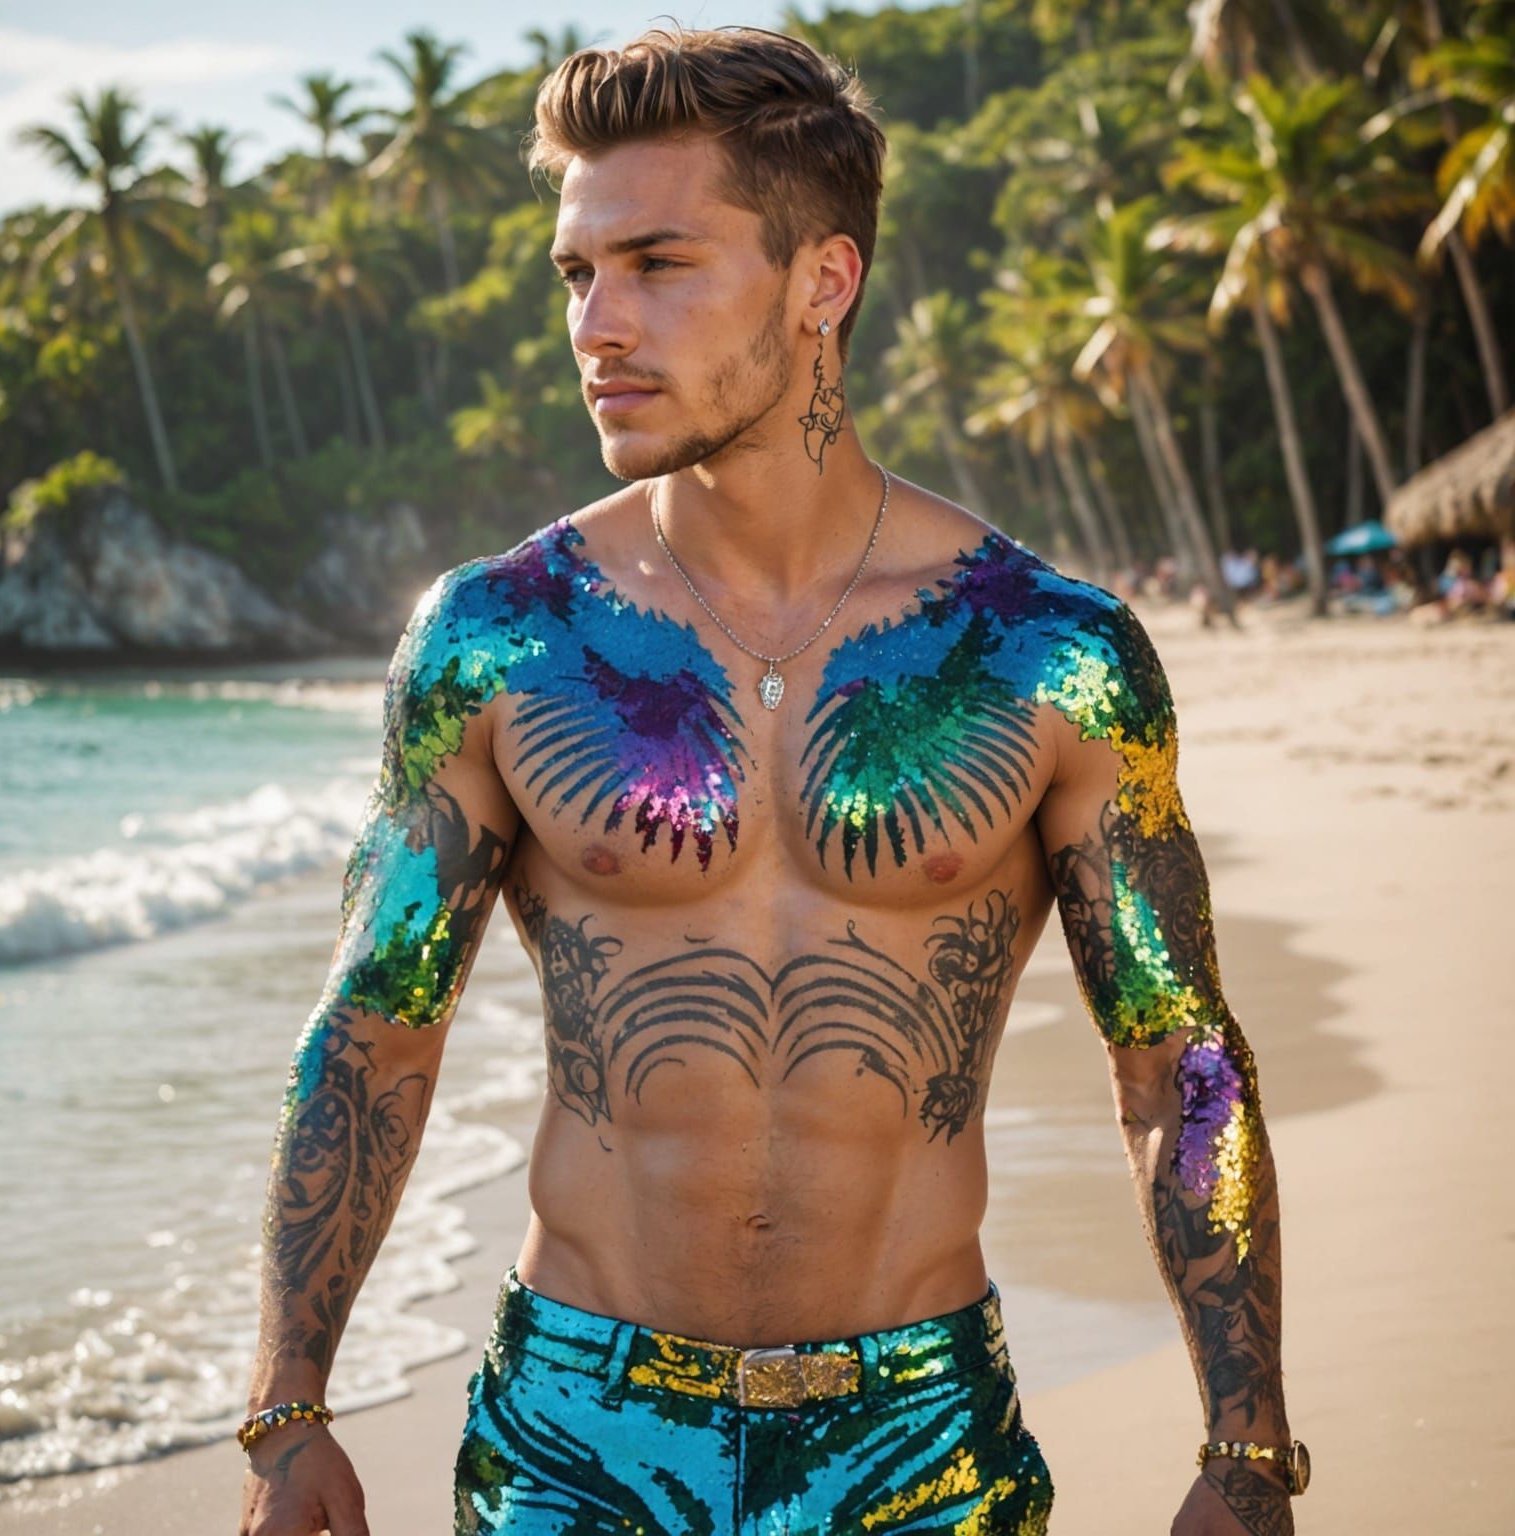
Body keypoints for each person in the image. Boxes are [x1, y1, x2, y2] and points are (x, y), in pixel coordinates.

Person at [237, 26, 1302, 1536]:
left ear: (824, 281)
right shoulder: (500, 638)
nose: (598, 323)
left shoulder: (1048, 656)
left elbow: (1177, 1062)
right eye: (576, 273)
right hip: (575, 1435)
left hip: (919, 1439)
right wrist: (287, 1415)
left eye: (658, 263)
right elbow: (372, 1033)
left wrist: (1246, 1450)